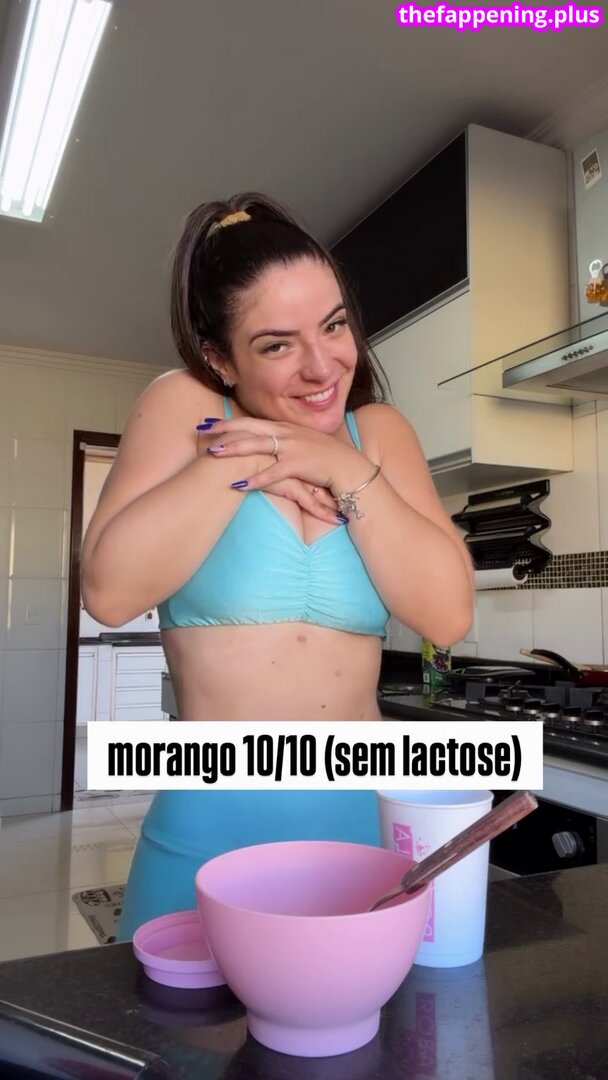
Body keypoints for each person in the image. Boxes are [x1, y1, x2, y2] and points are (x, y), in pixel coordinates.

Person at [81, 193, 473, 939]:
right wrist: (252, 454)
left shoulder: (378, 434)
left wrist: (339, 465)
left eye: (334, 325)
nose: (323, 365)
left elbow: (447, 615)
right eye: (275, 345)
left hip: (361, 826)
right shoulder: (185, 406)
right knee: (176, 1017)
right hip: (206, 828)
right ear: (219, 357)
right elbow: (109, 590)